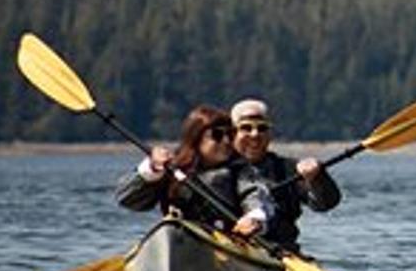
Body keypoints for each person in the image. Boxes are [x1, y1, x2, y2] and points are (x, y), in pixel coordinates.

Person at [115, 104, 276, 236]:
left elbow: (254, 195)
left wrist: (255, 218)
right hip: (178, 236)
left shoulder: (241, 171)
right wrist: (151, 170)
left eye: (231, 134)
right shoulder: (171, 168)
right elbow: (127, 199)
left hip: (226, 241)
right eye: (217, 135)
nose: (227, 141)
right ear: (196, 137)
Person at [228, 97, 341, 251]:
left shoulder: (288, 169)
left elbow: (325, 204)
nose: (255, 134)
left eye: (262, 128)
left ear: (270, 133)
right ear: (233, 133)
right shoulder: (221, 169)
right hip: (229, 245)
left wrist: (317, 178)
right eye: (246, 128)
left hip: (280, 251)